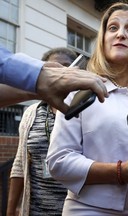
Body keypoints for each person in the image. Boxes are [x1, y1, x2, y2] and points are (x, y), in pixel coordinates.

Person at [46, 3, 128, 215]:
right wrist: (120, 172)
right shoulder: (78, 92)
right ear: (103, 40)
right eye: (113, 28)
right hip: (90, 210)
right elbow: (59, 160)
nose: (121, 34)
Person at [6, 47, 78, 216]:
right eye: (53, 68)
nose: (60, 74)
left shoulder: (84, 111)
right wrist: (10, 210)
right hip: (36, 210)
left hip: (76, 209)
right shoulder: (31, 113)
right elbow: (20, 164)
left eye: (66, 66)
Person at [0, 46, 108, 113]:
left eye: (66, 67)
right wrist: (39, 77)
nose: (62, 73)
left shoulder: (88, 108)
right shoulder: (32, 113)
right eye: (57, 69)